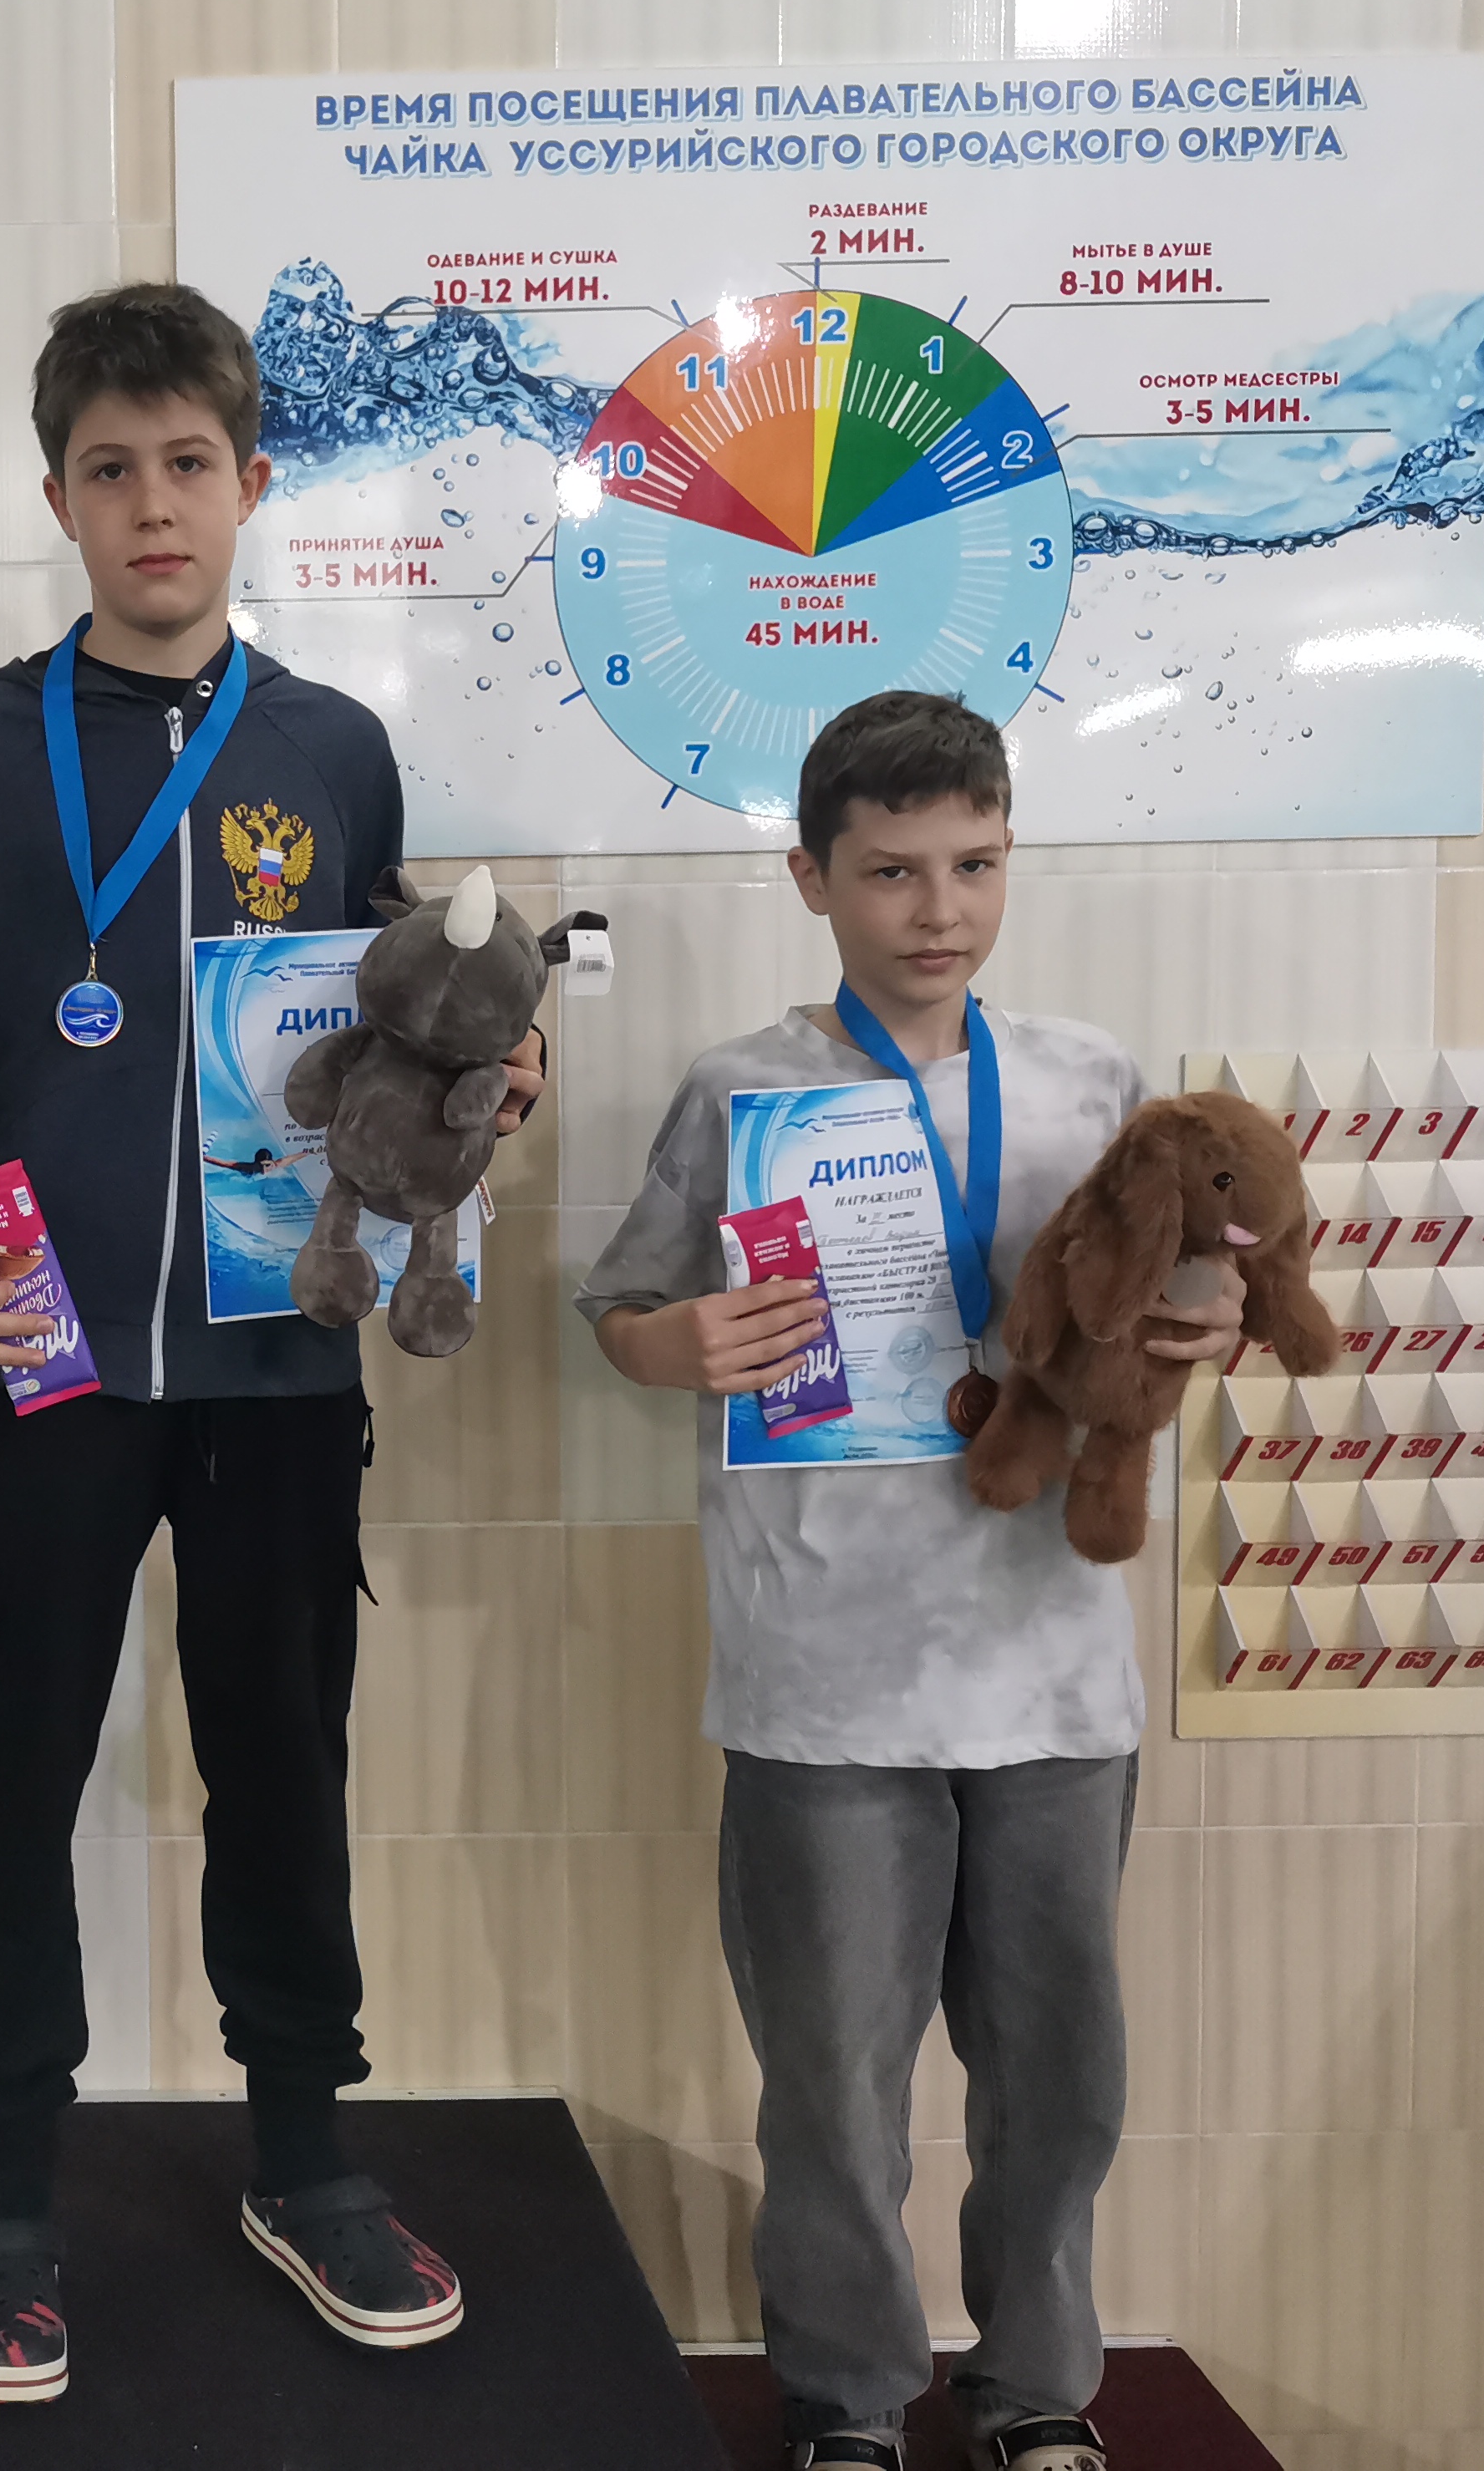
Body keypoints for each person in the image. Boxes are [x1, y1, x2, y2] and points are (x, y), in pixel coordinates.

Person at [0, 282, 542, 2407]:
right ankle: (0, 2202)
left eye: (185, 466)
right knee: (10, 1780)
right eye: (107, 470)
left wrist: (480, 1090)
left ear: (250, 484)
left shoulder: (327, 749)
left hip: (274, 1371)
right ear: (54, 496)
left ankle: (306, 2158)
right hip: (40, 1367)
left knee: (281, 1767)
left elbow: (393, 1026)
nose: (149, 506)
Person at [576, 690, 1242, 2471]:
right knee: (832, 2087)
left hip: (1050, 1669)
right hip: (822, 1675)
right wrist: (672, 1344)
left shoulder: (1094, 1082)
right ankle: (848, 2396)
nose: (937, 909)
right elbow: (618, 1311)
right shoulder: (741, 1088)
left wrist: (1206, 1320)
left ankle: (1032, 2387)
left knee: (1056, 2078)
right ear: (810, 879)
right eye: (888, 872)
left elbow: (1183, 1290)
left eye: (973, 864)